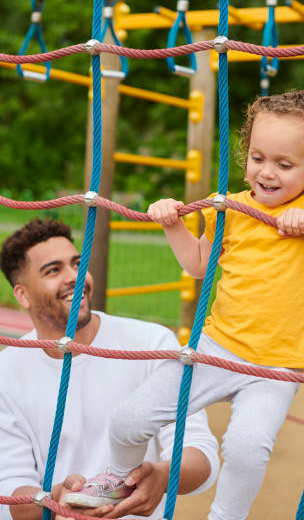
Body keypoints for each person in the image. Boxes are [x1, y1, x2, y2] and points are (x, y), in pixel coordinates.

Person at [67, 90, 304, 520]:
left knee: (246, 447)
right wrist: (172, 225)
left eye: (284, 164)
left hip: (279, 364)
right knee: (129, 418)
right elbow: (199, 264)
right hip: (216, 347)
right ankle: (117, 475)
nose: (267, 172)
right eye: (258, 157)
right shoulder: (233, 207)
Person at [0, 218, 220, 520]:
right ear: (22, 295)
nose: (74, 277)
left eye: (77, 264)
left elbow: (200, 453)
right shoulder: (7, 371)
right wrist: (53, 501)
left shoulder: (150, 343)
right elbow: (10, 490)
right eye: (53, 270)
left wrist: (161, 476)